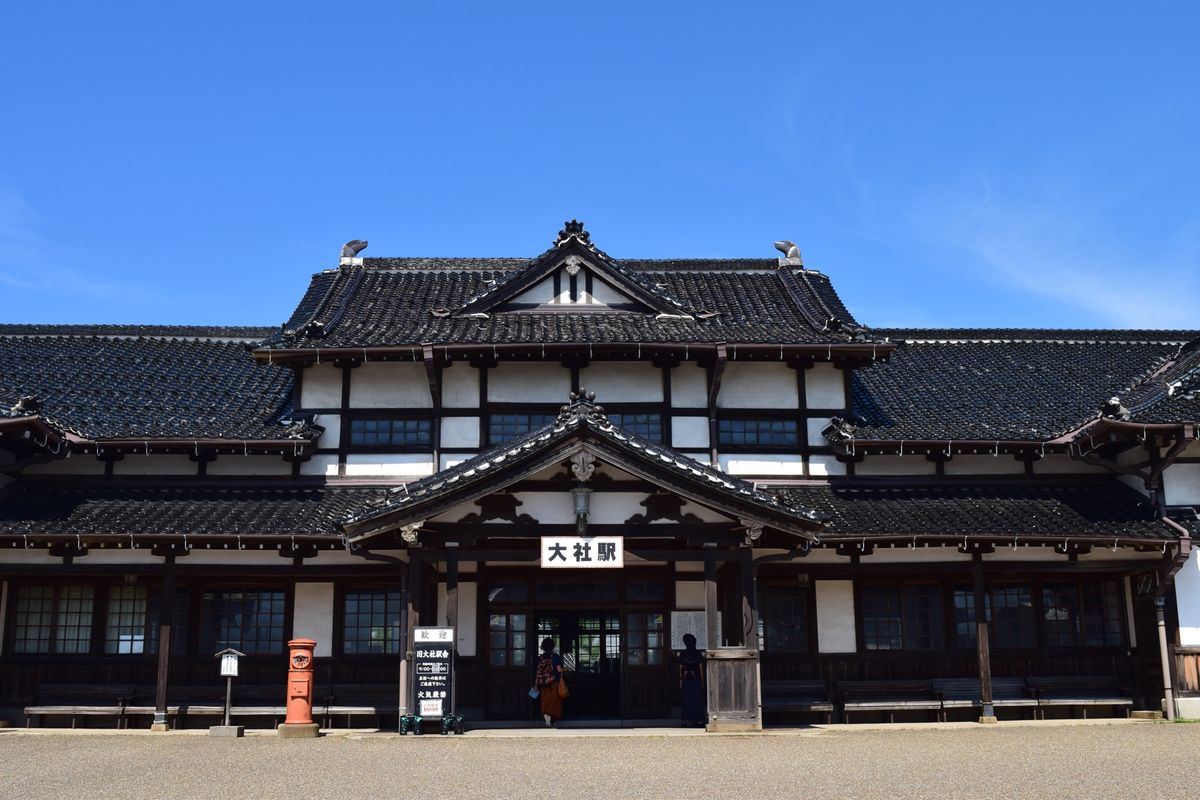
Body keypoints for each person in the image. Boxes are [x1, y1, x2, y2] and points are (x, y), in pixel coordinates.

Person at [535, 636, 565, 727]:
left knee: (545, 701)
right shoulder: (555, 657)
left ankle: (546, 715)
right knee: (555, 701)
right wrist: (565, 670)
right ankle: (553, 719)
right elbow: (559, 670)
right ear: (552, 646)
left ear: (543, 647)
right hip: (554, 682)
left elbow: (538, 671)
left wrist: (536, 684)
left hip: (543, 683)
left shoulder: (540, 658)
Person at [679, 633, 705, 727]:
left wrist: (680, 681)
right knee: (697, 701)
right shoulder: (698, 653)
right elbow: (701, 668)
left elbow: (680, 668)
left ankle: (684, 721)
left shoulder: (683, 653)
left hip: (686, 678)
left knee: (686, 701)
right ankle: (698, 721)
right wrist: (702, 681)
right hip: (696, 678)